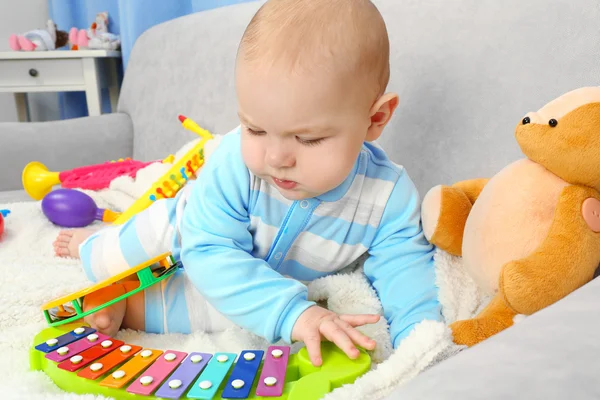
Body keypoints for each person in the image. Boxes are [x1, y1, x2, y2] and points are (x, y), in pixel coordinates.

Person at [54, 0, 442, 367]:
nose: (275, 158)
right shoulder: (234, 163)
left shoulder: (388, 197)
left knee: (210, 310)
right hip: (187, 229)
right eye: (254, 128)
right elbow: (208, 249)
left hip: (258, 273)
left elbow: (406, 273)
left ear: (374, 119)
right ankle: (91, 243)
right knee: (112, 257)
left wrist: (420, 341)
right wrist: (295, 312)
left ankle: (124, 307)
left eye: (307, 139)